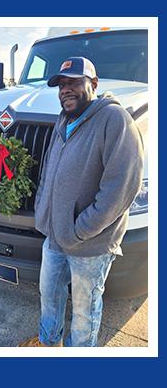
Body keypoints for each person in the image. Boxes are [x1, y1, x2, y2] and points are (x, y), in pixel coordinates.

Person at [20, 57, 144, 347]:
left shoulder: (115, 120)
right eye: (62, 85)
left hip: (89, 243)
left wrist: (79, 230)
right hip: (55, 235)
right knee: (49, 294)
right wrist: (43, 210)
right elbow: (50, 167)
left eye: (74, 82)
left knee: (84, 310)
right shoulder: (63, 120)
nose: (66, 90)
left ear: (94, 84)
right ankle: (48, 343)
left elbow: (122, 188)